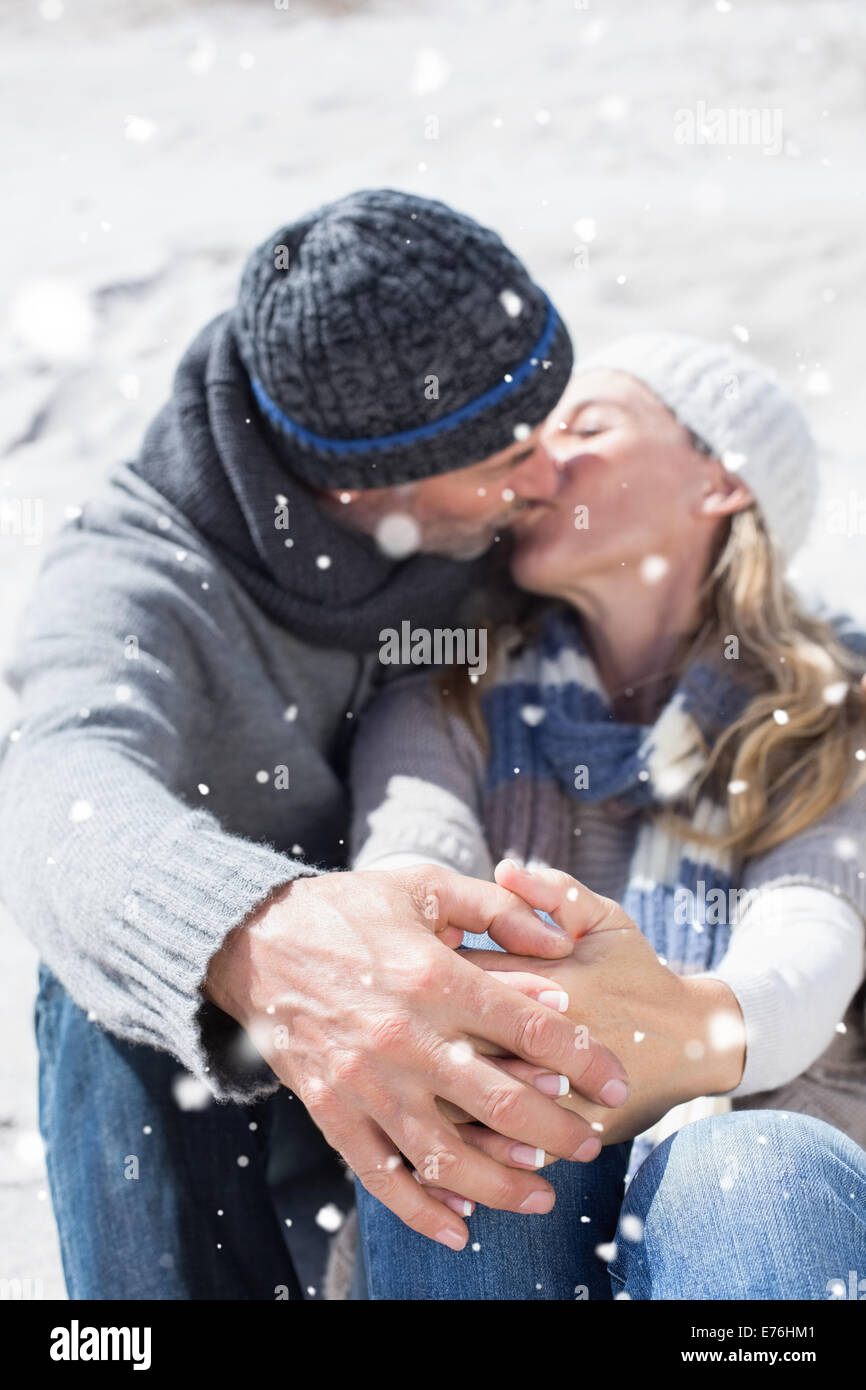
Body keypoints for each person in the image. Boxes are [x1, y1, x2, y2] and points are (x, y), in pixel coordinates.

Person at [0, 189, 634, 1299]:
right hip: (236, 1103)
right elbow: (55, 783)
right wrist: (261, 937)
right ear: (355, 482)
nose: (544, 481)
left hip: (478, 1058)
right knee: (101, 975)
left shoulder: (500, 533)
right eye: (497, 455)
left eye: (547, 428)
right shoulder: (134, 579)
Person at [348, 332, 866, 1298]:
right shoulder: (440, 698)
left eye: (586, 426)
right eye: (529, 440)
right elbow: (399, 901)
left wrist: (674, 1033)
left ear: (720, 483)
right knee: (496, 1127)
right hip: (505, 1183)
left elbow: (809, 948)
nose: (541, 463)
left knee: (749, 1169)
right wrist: (554, 1035)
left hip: (763, 1221)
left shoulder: (836, 713)